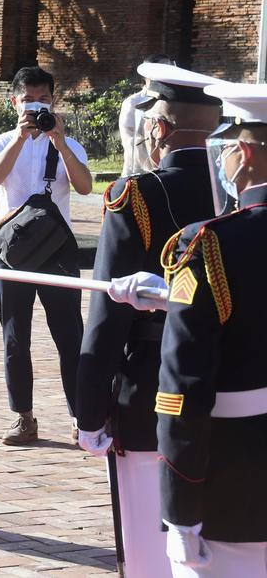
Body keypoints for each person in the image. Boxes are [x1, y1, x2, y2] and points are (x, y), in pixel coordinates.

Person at [75, 63, 222, 577]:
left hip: (154, 395)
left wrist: (90, 413)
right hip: (237, 392)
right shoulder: (248, 198)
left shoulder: (135, 195)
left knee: (147, 553)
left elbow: (107, 316)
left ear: (158, 128)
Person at [121, 82, 267, 578]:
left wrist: (181, 514)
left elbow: (182, 391)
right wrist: (172, 296)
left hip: (237, 483)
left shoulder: (211, 246)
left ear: (244, 154)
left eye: (226, 148)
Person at [0, 66, 92, 445]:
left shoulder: (68, 144)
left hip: (56, 248)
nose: (36, 106)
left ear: (54, 100)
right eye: (29, 99)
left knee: (69, 334)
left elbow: (84, 186)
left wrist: (58, 141)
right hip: (11, 249)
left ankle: (81, 416)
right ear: (14, 101)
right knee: (16, 335)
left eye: (43, 99)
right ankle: (24, 417)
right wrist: (20, 136)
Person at [120, 54, 176, 176]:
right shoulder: (133, 103)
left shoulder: (174, 102)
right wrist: (149, 168)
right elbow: (130, 141)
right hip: (139, 171)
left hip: (167, 170)